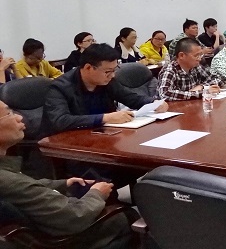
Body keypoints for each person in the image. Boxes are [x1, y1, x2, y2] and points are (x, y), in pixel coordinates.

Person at [0, 100, 136, 248]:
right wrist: (97, 194)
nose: (19, 117)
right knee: (129, 215)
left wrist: (62, 184)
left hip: (45, 224)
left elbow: (26, 188)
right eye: (9, 113)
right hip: (66, 239)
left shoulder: (7, 174)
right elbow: (74, 217)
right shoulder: (8, 181)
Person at [41, 43, 168, 137]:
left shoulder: (107, 81)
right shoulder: (60, 87)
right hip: (66, 143)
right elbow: (60, 121)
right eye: (108, 71)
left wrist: (153, 103)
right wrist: (104, 118)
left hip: (102, 135)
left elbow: (129, 97)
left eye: (114, 70)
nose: (112, 75)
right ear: (88, 67)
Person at [157, 38, 222, 101]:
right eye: (196, 55)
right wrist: (201, 92)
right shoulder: (170, 70)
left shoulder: (196, 66)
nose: (199, 59)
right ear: (181, 55)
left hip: (193, 105)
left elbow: (217, 78)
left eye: (201, 55)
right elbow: (164, 94)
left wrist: (202, 86)